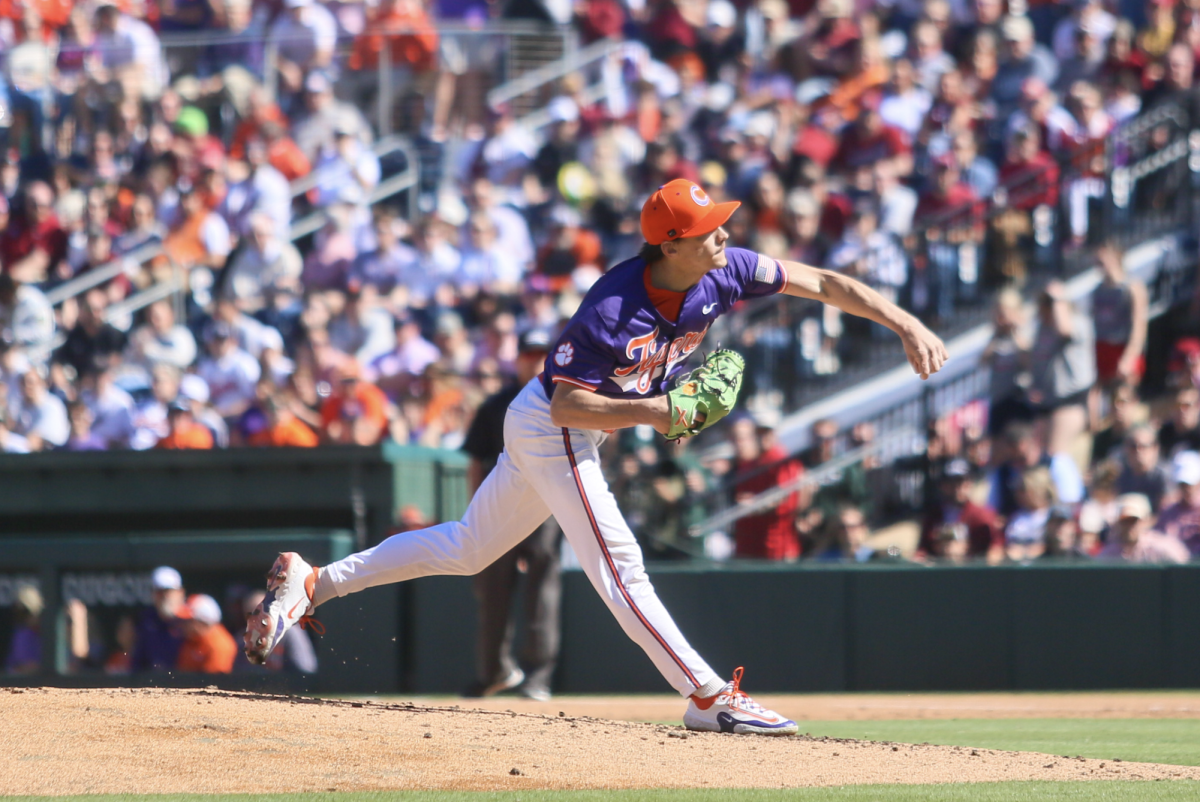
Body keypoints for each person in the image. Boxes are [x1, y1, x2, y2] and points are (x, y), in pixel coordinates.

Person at [244, 178, 948, 736]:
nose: (725, 234)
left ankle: (315, 583)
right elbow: (568, 407)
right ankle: (709, 697)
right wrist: (661, 412)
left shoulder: (726, 270)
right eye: (708, 229)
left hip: (557, 423)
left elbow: (821, 282)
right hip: (557, 424)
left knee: (467, 548)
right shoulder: (615, 307)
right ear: (671, 244)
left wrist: (904, 321)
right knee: (620, 563)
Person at [461, 329, 561, 701]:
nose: (535, 361)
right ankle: (493, 672)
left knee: (542, 590)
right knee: (492, 591)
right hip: (498, 504)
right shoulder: (495, 404)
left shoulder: (562, 398)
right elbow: (475, 460)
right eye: (529, 355)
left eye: (541, 354)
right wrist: (474, 511)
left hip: (545, 504)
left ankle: (538, 676)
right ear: (517, 359)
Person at [729, 416, 804, 561]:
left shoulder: (783, 461)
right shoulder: (749, 465)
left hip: (779, 546)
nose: (763, 437)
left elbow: (781, 498)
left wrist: (755, 504)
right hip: (751, 545)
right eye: (759, 432)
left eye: (767, 432)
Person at [1090, 244, 1148, 386]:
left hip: (1123, 346)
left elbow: (1139, 325)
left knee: (1124, 392)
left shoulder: (1132, 288)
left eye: (1102, 261)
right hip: (1102, 345)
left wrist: (1129, 357)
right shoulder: (1098, 290)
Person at [1096, 493, 1189, 564]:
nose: (1129, 526)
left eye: (1134, 521)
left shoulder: (1163, 548)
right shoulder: (1110, 553)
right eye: (1125, 521)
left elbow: (1184, 573)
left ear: (1146, 521)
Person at [131, 566, 186, 672]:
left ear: (181, 592)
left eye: (168, 591)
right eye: (159, 592)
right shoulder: (147, 621)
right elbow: (138, 662)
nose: (164, 596)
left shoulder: (191, 619)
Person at [176, 594, 238, 674]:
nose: (183, 624)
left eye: (189, 620)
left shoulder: (219, 646)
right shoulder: (190, 638)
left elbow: (212, 683)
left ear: (202, 623)